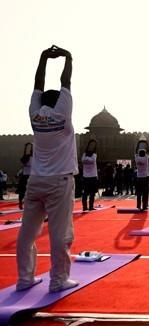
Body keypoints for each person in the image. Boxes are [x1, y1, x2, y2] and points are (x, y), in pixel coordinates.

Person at [17, 45, 79, 293]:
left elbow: (37, 84)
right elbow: (67, 81)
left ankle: (24, 279)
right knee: (60, 233)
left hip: (36, 181)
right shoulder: (62, 114)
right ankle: (58, 280)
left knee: (27, 233)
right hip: (60, 182)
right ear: (60, 103)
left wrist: (43, 58)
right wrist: (68, 57)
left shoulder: (34, 116)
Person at [81, 139, 98, 211]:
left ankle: (89, 206)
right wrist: (88, 159)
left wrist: (86, 159)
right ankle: (86, 207)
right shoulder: (89, 155)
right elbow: (89, 160)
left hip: (90, 176)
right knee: (87, 193)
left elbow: (87, 160)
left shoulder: (88, 155)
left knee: (91, 193)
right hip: (89, 176)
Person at [135, 140, 149, 211]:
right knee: (145, 193)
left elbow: (135, 151)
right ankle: (144, 206)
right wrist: (146, 143)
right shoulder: (146, 158)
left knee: (139, 192)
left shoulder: (137, 158)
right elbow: (148, 150)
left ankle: (138, 206)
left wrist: (138, 143)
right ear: (144, 154)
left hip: (138, 177)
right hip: (145, 177)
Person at [18, 143, 33, 209]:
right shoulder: (32, 159)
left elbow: (24, 155)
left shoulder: (25, 159)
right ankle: (22, 203)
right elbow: (30, 153)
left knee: (22, 191)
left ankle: (21, 202)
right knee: (27, 191)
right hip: (30, 176)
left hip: (25, 177)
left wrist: (26, 147)